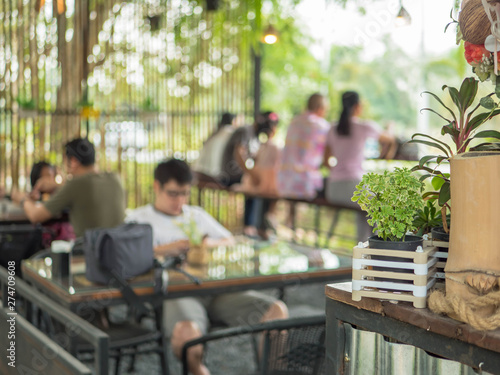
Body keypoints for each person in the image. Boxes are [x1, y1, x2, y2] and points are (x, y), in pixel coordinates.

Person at [126, 159, 288, 375]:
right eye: (174, 193)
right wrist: (166, 249)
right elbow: (127, 257)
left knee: (276, 311)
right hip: (177, 294)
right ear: (157, 187)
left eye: (185, 193)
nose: (180, 200)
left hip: (217, 290)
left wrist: (204, 245)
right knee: (187, 335)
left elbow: (229, 240)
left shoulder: (196, 215)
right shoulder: (138, 219)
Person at [11, 138, 125, 238]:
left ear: (73, 161)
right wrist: (56, 185)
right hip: (118, 252)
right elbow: (90, 186)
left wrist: (21, 198)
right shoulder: (115, 179)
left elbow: (36, 216)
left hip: (89, 255)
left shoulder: (75, 185)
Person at [323, 91, 396, 242]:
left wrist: (339, 172)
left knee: (365, 208)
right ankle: (384, 247)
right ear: (357, 106)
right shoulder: (364, 127)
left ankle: (363, 247)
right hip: (352, 186)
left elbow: (326, 161)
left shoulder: (332, 128)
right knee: (380, 205)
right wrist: (390, 128)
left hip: (333, 188)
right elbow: (389, 139)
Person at [233, 111, 281, 238]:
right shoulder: (273, 147)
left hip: (259, 182)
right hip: (266, 183)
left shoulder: (262, 146)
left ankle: (253, 227)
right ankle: (261, 225)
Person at [277, 93, 330, 199]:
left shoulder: (294, 121)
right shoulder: (321, 125)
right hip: (307, 182)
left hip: (285, 181)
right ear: (320, 108)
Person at [29, 161, 75, 247]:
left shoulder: (61, 196)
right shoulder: (32, 200)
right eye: (43, 177)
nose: (47, 180)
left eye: (50, 176)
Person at [193, 112, 237, 179]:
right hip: (216, 172)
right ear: (232, 121)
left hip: (201, 170)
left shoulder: (216, 133)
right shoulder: (230, 132)